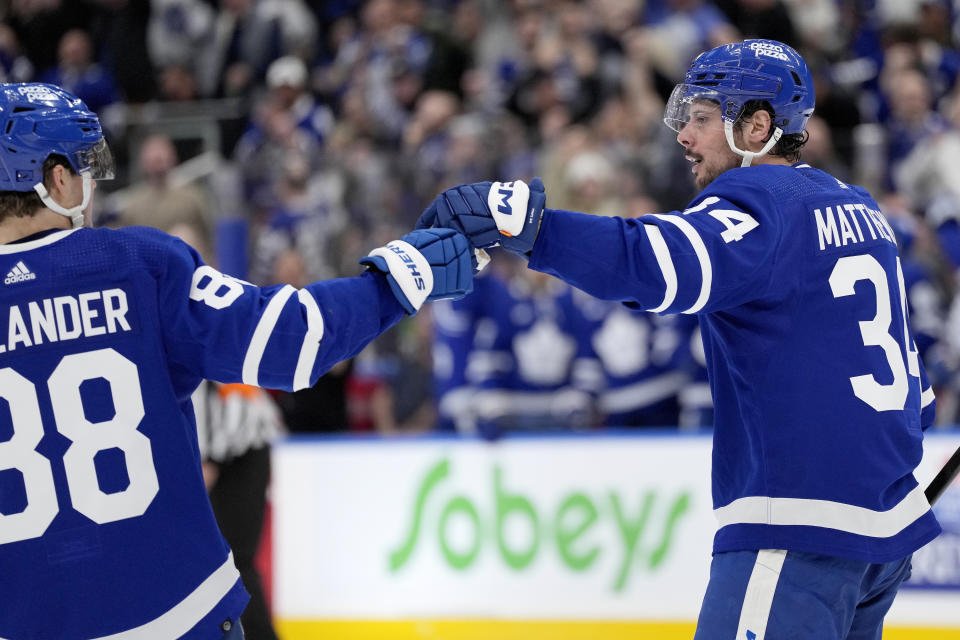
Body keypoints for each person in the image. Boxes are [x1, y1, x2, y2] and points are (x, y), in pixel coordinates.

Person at [417, 40, 941, 639]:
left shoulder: (758, 203)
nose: (683, 136)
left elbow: (653, 264)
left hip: (796, 537)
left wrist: (528, 226)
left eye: (700, 118)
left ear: (757, 126)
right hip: (882, 541)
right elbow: (917, 401)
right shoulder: (861, 210)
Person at [0, 82, 473, 640]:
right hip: (179, 615)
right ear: (56, 179)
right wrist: (408, 273)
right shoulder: (137, 264)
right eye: (83, 169)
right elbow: (293, 342)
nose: (93, 187)